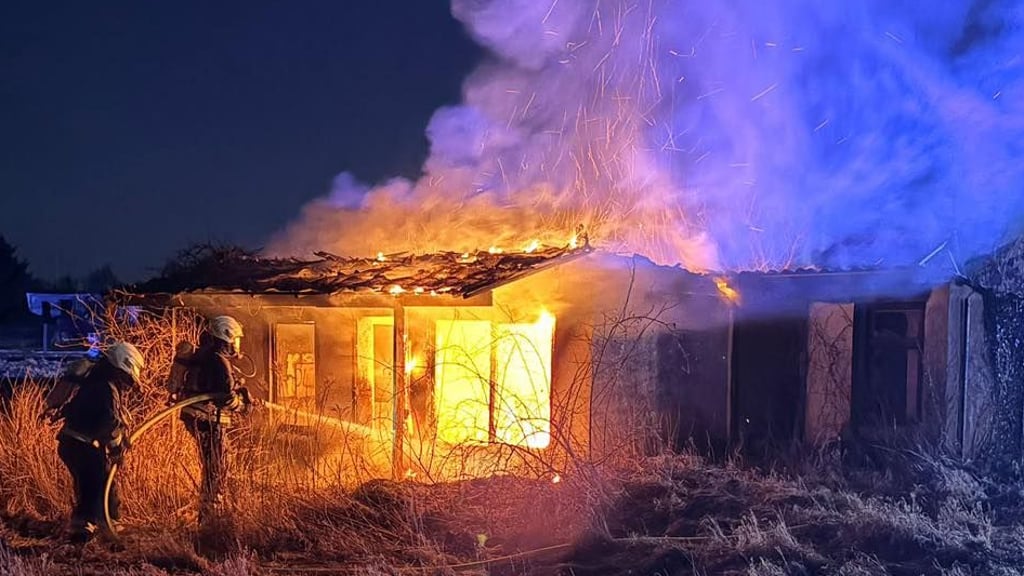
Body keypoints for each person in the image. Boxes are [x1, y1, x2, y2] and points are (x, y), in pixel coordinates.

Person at [55, 341, 144, 543]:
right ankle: (92, 531)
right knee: (98, 484)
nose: (130, 379)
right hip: (82, 445)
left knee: (94, 485)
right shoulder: (105, 387)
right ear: (124, 364)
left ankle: (98, 526)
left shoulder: (98, 380)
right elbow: (108, 422)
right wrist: (116, 447)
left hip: (73, 443)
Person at [178, 315, 251, 525]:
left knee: (213, 467)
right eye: (235, 339)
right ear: (227, 337)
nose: (237, 344)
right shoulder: (219, 361)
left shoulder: (205, 355)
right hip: (208, 420)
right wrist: (243, 406)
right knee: (217, 468)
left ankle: (208, 512)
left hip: (195, 417)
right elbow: (226, 397)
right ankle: (211, 518)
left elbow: (217, 388)